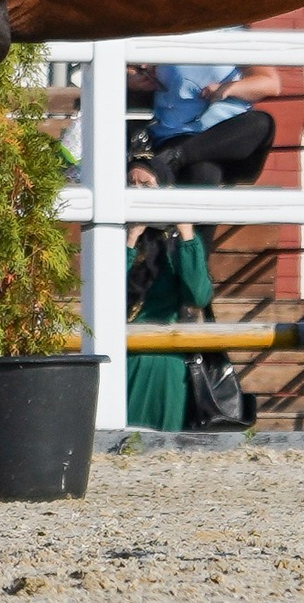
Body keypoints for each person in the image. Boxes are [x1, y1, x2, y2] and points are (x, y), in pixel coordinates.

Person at [121, 159, 215, 429]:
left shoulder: (177, 243)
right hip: (124, 355)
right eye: (132, 184)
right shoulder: (115, 233)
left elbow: (198, 295)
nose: (138, 191)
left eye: (146, 184)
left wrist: (186, 233)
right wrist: (131, 240)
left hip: (167, 357)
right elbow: (109, 292)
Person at [139, 62, 281, 187]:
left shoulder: (233, 36)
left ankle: (172, 158)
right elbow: (130, 69)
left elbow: (270, 83)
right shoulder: (163, 36)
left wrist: (229, 89)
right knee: (203, 173)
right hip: (177, 134)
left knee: (262, 123)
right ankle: (173, 159)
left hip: (230, 137)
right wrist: (135, 76)